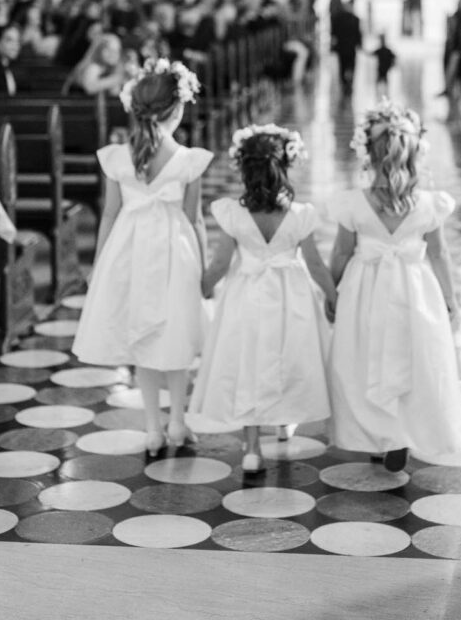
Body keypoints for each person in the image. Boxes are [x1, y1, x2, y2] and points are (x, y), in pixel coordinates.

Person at [71, 58, 212, 456]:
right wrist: (204, 269)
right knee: (176, 335)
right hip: (175, 251)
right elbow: (195, 218)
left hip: (128, 251)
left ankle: (153, 428)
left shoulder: (118, 156)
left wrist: (99, 264)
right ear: (178, 109)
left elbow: (110, 214)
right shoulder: (188, 159)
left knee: (142, 336)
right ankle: (178, 423)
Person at [328, 100, 461, 472]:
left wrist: (332, 289)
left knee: (367, 356)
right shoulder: (427, 203)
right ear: (413, 155)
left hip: (365, 291)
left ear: (368, 156)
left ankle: (379, 433)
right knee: (413, 358)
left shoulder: (354, 202)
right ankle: (401, 433)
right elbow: (439, 254)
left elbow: (342, 252)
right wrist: (451, 299)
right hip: (414, 288)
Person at [190, 124, 336, 474]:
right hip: (293, 299)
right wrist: (334, 295)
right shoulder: (300, 215)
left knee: (248, 363)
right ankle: (282, 420)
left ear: (244, 170)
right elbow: (315, 264)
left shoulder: (234, 214)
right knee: (287, 356)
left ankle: (252, 448)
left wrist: (200, 286)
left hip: (246, 296)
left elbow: (221, 264)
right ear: (283, 168)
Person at [330, 0, 363, 96]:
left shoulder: (339, 18)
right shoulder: (353, 19)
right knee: (348, 65)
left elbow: (333, 34)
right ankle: (347, 82)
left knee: (344, 65)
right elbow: (334, 34)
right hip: (347, 47)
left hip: (345, 47)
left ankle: (346, 82)